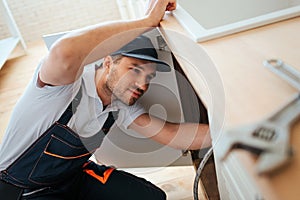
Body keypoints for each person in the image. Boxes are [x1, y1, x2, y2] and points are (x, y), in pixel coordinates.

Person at [0, 0, 211, 199]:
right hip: (20, 190)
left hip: (71, 178)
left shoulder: (119, 102)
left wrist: (228, 130)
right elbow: (64, 52)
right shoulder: (65, 87)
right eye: (135, 70)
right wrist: (146, 22)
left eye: (149, 77)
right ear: (108, 62)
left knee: (152, 197)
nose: (143, 84)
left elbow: (172, 134)